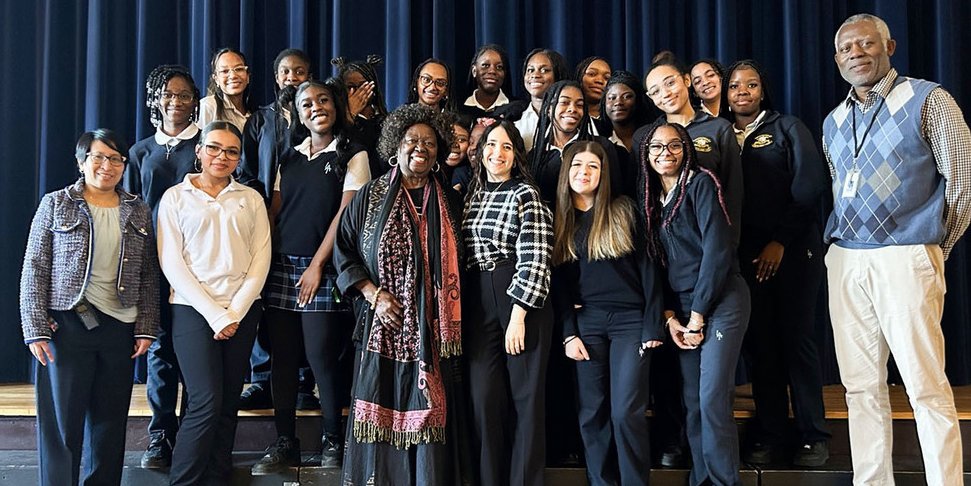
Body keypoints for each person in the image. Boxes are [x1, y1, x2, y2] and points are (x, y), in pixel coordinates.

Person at [823, 14, 971, 485]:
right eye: (846, 48)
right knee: (860, 388)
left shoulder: (928, 99)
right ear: (836, 59)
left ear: (889, 46)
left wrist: (933, 247)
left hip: (906, 254)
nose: (855, 53)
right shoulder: (834, 120)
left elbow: (961, 184)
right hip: (846, 257)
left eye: (866, 43)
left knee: (925, 385)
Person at [333, 103, 473, 485]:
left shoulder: (451, 201)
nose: (420, 148)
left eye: (429, 142)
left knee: (435, 421)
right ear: (396, 145)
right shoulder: (370, 196)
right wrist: (373, 294)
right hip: (383, 326)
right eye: (412, 140)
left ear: (439, 151)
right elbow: (343, 252)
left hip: (436, 335)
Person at [21, 129, 159, 486]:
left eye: (115, 159)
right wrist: (35, 328)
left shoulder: (138, 209)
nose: (106, 166)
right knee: (63, 425)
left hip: (120, 327)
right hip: (66, 326)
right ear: (82, 162)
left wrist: (146, 326)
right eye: (98, 157)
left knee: (109, 425)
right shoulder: (56, 203)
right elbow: (35, 266)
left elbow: (147, 274)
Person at [251, 79, 371, 474]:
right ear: (299, 114)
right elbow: (275, 212)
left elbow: (344, 216)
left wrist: (318, 265)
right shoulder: (288, 156)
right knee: (283, 359)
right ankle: (285, 441)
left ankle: (333, 439)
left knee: (321, 357)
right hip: (282, 266)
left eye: (323, 100)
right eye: (307, 104)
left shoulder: (353, 154)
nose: (316, 107)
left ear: (335, 106)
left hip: (324, 267)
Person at [720, 59, 832, 467]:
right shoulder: (719, 134)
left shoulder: (787, 128)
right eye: (735, 86)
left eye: (751, 85)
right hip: (745, 256)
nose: (742, 92)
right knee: (761, 344)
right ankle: (770, 432)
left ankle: (813, 434)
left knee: (796, 340)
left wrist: (779, 241)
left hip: (792, 250)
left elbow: (810, 187)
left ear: (763, 90)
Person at [157, 121, 271, 485]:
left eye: (231, 151)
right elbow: (171, 262)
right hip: (192, 309)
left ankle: (216, 478)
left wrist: (233, 313)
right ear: (199, 151)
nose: (222, 156)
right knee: (205, 401)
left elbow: (261, 260)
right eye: (214, 148)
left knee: (227, 403)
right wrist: (216, 315)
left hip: (242, 311)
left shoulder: (250, 198)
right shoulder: (175, 197)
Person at [640, 123, 750, 486]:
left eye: (674, 145)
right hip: (683, 311)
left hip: (721, 300)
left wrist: (698, 316)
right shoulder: (650, 198)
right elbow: (656, 266)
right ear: (647, 154)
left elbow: (718, 252)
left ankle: (723, 482)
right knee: (693, 401)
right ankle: (702, 479)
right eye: (657, 147)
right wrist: (671, 318)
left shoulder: (701, 184)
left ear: (686, 148)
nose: (665, 153)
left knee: (712, 397)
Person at [553, 141, 662, 486]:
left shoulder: (625, 211)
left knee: (626, 412)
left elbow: (649, 270)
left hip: (631, 321)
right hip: (587, 325)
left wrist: (653, 325)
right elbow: (559, 287)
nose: (583, 172)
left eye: (593, 166)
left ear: (604, 173)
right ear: (566, 172)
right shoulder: (559, 220)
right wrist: (569, 334)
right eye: (577, 165)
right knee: (591, 412)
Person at [463, 120, 554, 485]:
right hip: (478, 299)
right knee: (483, 399)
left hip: (518, 298)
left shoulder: (526, 194)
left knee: (525, 400)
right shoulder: (473, 195)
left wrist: (519, 314)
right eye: (491, 145)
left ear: (516, 155)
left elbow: (536, 256)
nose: (496, 153)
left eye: (506, 146)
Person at [125, 64, 201, 469]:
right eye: (168, 94)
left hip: (199, 264)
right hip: (154, 263)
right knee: (160, 350)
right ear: (155, 99)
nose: (176, 101)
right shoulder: (140, 151)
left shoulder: (207, 143)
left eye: (184, 95)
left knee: (195, 351)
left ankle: (192, 434)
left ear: (195, 101)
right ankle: (161, 435)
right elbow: (132, 210)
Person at [236, 48, 313, 412]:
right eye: (285, 72)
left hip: (306, 227)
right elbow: (246, 170)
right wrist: (260, 208)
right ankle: (263, 378)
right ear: (276, 77)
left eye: (299, 72)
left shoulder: (316, 116)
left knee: (304, 306)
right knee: (263, 303)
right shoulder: (260, 120)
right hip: (264, 224)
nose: (292, 78)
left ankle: (303, 381)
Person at [636, 56, 743, 245]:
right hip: (664, 241)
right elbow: (642, 192)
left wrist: (729, 244)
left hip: (710, 237)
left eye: (670, 83)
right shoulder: (646, 137)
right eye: (656, 91)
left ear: (686, 80)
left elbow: (733, 191)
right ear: (650, 98)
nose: (665, 94)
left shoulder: (718, 128)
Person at [528, 80, 633, 208]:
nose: (572, 109)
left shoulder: (601, 146)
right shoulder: (535, 156)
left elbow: (616, 195)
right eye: (564, 102)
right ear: (548, 109)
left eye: (579, 105)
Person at [497, 48, 569, 152]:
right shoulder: (513, 117)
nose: (535, 75)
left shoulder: (571, 117)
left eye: (544, 70)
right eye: (530, 70)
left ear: (558, 75)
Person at [333, 55, 390, 177]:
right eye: (350, 87)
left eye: (363, 85)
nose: (358, 92)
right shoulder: (334, 122)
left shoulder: (387, 121)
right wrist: (350, 115)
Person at [198, 47, 252, 131]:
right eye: (225, 71)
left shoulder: (254, 113)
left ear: (248, 76)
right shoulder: (208, 107)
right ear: (216, 79)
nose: (233, 76)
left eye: (239, 69)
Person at [601, 70, 654, 152]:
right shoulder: (598, 140)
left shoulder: (654, 135)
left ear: (638, 100)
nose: (618, 102)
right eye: (612, 98)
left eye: (627, 97)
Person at [460, 44, 512, 118]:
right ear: (474, 71)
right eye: (485, 65)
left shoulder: (517, 108)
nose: (492, 71)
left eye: (499, 67)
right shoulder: (458, 109)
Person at [575, 56, 612, 134]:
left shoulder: (614, 120)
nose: (599, 81)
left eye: (606, 78)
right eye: (592, 74)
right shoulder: (570, 116)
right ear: (579, 77)